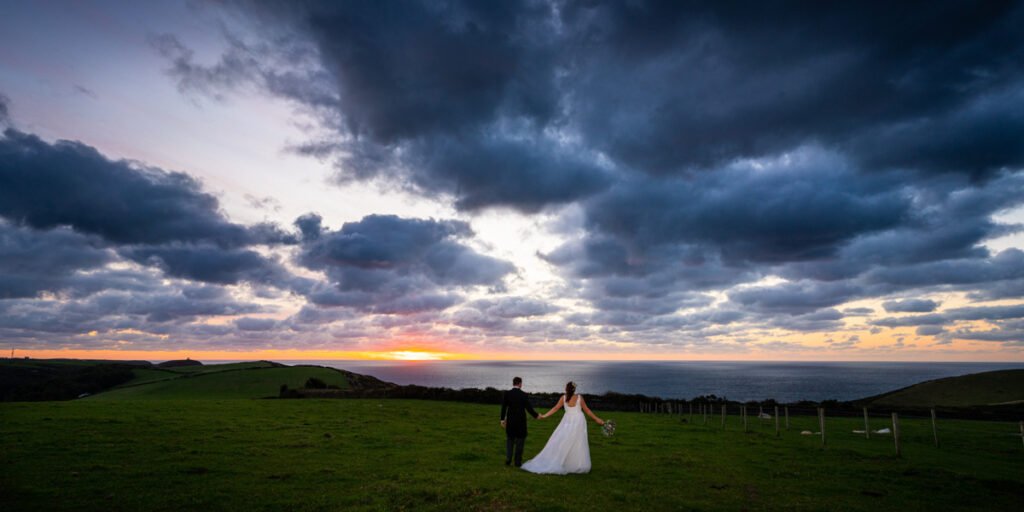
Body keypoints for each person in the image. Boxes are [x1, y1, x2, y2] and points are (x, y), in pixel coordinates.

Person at [521, 381, 605, 474]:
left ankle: (568, 463)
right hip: (578, 421)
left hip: (567, 421)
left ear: (566, 389)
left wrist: (545, 416)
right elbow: (587, 410)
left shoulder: (563, 398)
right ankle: (577, 464)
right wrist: (597, 419)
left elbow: (555, 408)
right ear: (574, 389)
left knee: (565, 440)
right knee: (578, 442)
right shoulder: (579, 398)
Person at [500, 376, 540, 467]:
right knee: (520, 441)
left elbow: (504, 408)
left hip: (510, 421)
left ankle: (508, 459)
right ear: (520, 384)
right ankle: (517, 462)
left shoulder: (507, 394)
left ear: (513, 383)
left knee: (510, 440)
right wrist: (536, 415)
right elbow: (529, 408)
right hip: (521, 422)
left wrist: (502, 419)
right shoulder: (524, 395)